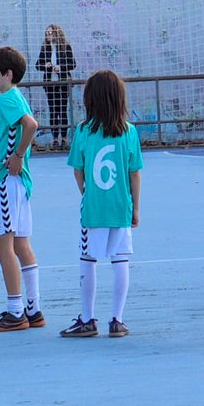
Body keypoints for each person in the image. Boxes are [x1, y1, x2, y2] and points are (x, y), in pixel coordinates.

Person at [61, 70, 143, 338]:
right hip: (121, 206)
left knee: (88, 259)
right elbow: (134, 172)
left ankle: (87, 319)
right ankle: (117, 320)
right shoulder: (129, 132)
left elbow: (77, 169)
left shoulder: (84, 131)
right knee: (120, 261)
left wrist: (87, 192)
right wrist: (135, 207)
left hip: (94, 208)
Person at [0, 47, 43, 333]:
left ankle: (16, 310)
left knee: (2, 245)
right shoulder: (16, 97)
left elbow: (31, 125)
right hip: (19, 182)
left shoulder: (8, 99)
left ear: (7, 74)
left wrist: (17, 155)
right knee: (21, 245)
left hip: (7, 179)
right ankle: (33, 307)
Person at [36, 24, 77, 150]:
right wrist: (46, 65)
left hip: (63, 82)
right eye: (47, 33)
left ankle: (64, 139)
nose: (48, 36)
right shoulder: (45, 48)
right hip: (50, 84)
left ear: (57, 34)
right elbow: (38, 65)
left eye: (51, 33)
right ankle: (54, 139)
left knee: (62, 110)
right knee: (53, 111)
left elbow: (73, 64)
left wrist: (61, 67)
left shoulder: (65, 47)